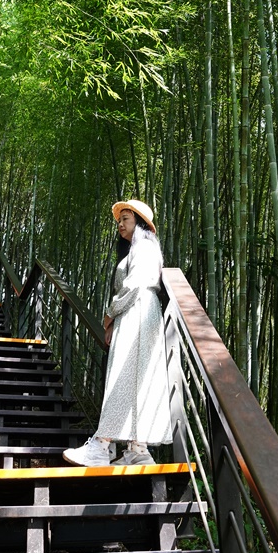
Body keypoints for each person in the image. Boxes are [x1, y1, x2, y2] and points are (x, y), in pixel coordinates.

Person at [63, 199, 173, 467]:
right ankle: (138, 449)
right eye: (119, 220)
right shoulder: (140, 249)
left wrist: (109, 314)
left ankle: (101, 446)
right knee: (135, 380)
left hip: (136, 312)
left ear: (141, 223)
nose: (120, 224)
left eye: (125, 218)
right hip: (140, 314)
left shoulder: (145, 246)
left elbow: (134, 285)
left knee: (122, 377)